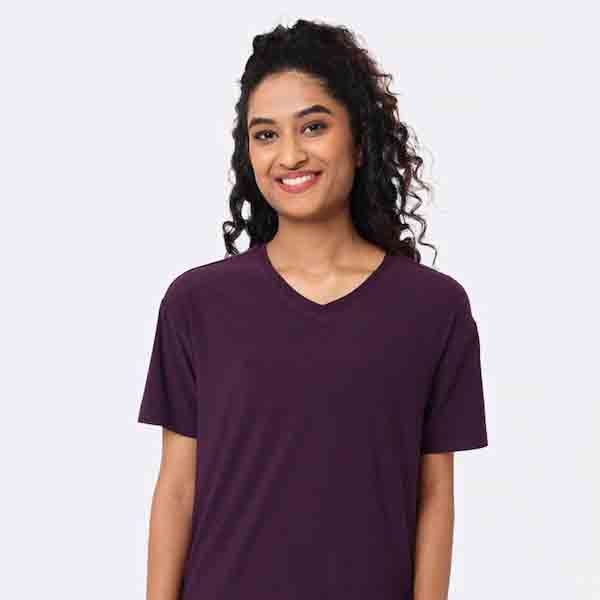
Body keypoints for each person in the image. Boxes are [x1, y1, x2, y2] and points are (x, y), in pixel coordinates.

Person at [137, 18, 488, 600]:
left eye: (314, 127)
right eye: (265, 135)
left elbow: (434, 496)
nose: (290, 155)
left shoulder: (433, 309)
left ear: (359, 139)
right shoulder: (196, 303)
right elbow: (177, 488)